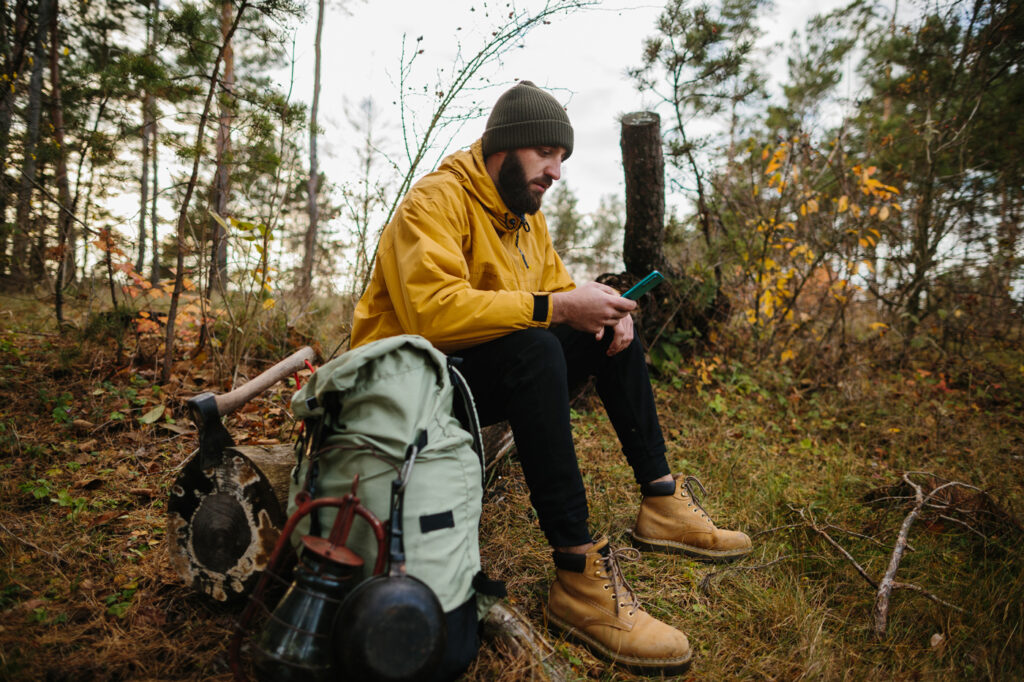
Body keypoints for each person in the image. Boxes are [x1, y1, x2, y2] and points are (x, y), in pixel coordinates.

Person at [351, 80, 752, 675]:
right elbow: (430, 314)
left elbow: (559, 291)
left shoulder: (525, 220)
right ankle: (578, 575)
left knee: (597, 329)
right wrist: (559, 309)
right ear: (502, 148)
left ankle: (662, 501)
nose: (556, 172)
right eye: (546, 154)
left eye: (562, 158)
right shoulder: (434, 202)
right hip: (406, 388)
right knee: (539, 344)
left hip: (468, 378)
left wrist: (606, 312)